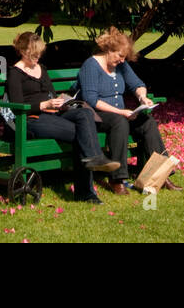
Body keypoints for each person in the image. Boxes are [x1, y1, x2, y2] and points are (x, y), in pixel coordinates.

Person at [6, 31, 120, 203]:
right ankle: (86, 192)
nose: (38, 57)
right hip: (31, 120)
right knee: (82, 135)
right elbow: (16, 106)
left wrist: (60, 101)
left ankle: (94, 159)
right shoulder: (14, 73)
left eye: (39, 54)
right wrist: (43, 105)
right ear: (23, 52)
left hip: (53, 114)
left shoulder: (41, 69)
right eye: (34, 54)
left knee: (85, 113)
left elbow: (51, 94)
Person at [77, 27, 178, 195]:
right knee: (120, 122)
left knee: (148, 123)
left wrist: (142, 98)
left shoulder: (120, 65)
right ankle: (117, 179)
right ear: (108, 50)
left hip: (119, 116)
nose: (123, 60)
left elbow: (137, 84)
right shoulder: (91, 66)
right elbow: (91, 100)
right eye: (119, 56)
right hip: (96, 116)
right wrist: (121, 112)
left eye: (124, 57)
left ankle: (161, 174)